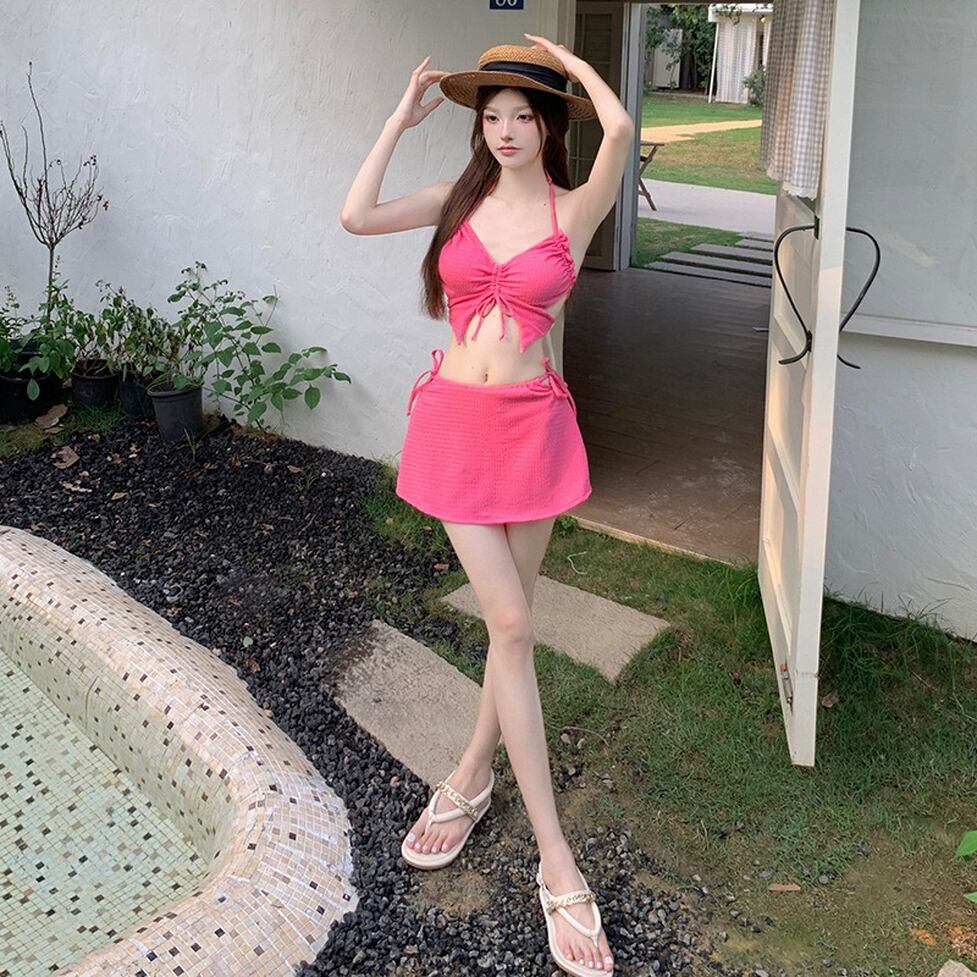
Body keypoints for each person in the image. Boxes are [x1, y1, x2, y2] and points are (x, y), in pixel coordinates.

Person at [340, 36, 632, 977]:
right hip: (456, 430)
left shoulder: (572, 208)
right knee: (509, 622)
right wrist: (398, 121)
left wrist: (571, 66)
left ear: (547, 126)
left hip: (534, 430)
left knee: (513, 629)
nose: (504, 131)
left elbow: (620, 127)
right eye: (492, 116)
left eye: (522, 115)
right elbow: (355, 215)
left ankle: (470, 775)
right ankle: (556, 859)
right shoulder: (456, 201)